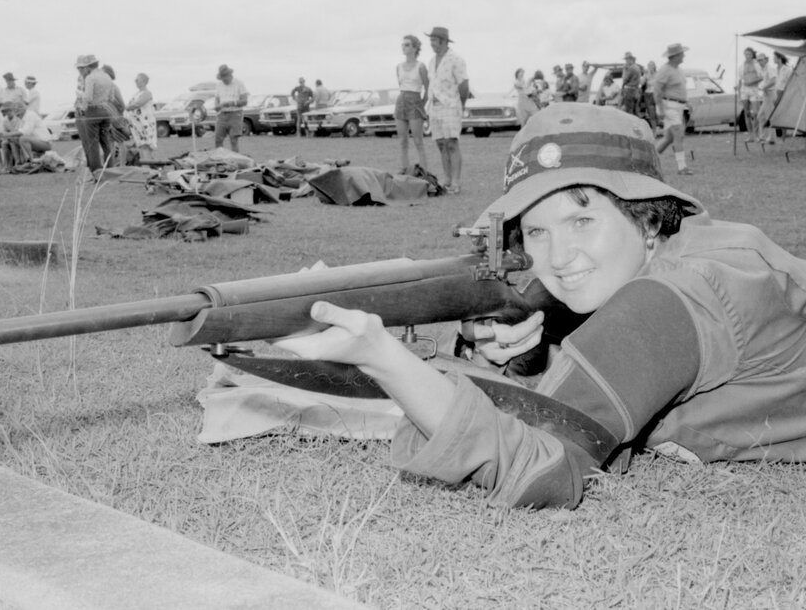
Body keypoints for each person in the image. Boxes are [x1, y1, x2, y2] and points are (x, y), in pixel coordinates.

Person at [275, 102, 806, 509]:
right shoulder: (673, 257)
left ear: (647, 218)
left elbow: (544, 471)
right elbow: (573, 388)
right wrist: (505, 358)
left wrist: (381, 357)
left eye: (582, 220)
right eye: (537, 231)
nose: (558, 257)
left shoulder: (669, 298)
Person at [425, 26, 469, 194]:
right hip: (434, 107)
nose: (431, 44)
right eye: (431, 40)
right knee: (441, 144)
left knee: (452, 143)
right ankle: (447, 180)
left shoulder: (455, 59)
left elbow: (464, 84)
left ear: (443, 41)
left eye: (434, 40)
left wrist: (461, 104)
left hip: (450, 106)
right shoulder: (431, 62)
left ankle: (456, 182)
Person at [653, 43, 691, 175]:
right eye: (682, 54)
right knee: (678, 134)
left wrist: (687, 102)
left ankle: (649, 159)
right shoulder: (665, 70)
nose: (684, 56)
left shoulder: (679, 70)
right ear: (675, 56)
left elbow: (680, 89)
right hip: (669, 106)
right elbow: (657, 90)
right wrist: (660, 109)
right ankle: (682, 167)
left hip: (679, 106)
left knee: (669, 138)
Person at [75, 53, 115, 176]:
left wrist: (80, 96)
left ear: (88, 67)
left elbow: (88, 97)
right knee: (106, 142)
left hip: (93, 111)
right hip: (106, 110)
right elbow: (112, 98)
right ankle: (110, 169)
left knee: (93, 143)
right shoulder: (107, 77)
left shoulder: (90, 78)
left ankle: (96, 171)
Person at [395, 35, 429, 174]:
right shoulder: (399, 66)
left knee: (418, 140)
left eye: (407, 45)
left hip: (415, 101)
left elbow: (428, 87)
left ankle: (424, 171)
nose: (404, 47)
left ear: (415, 48)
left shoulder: (421, 66)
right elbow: (401, 84)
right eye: (403, 45)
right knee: (402, 140)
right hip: (401, 101)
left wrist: (422, 103)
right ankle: (403, 169)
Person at [214, 64, 248, 153]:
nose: (223, 80)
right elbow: (217, 99)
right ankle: (219, 158)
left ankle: (236, 159)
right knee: (218, 139)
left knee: (233, 140)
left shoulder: (239, 83)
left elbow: (244, 101)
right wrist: (217, 106)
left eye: (225, 77)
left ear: (230, 75)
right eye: (222, 78)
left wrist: (230, 103)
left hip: (235, 114)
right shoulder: (219, 85)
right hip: (222, 115)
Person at [124, 72, 157, 160]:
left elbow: (137, 104)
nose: (135, 82)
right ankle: (144, 164)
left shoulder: (147, 93)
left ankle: (147, 164)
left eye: (137, 80)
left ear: (144, 81)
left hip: (145, 124)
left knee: (146, 145)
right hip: (137, 125)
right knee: (141, 145)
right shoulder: (136, 94)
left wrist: (126, 107)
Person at [738, 47, 763, 142]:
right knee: (746, 113)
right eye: (746, 54)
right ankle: (750, 135)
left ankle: (756, 134)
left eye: (749, 54)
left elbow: (761, 77)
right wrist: (739, 93)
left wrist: (751, 82)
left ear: (752, 55)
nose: (747, 56)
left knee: (756, 113)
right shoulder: (741, 66)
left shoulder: (757, 65)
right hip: (744, 90)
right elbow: (740, 80)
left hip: (754, 89)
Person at [756, 52, 777, 144]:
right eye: (758, 60)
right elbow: (764, 80)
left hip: (770, 93)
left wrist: (763, 87)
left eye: (761, 60)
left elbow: (774, 81)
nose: (760, 62)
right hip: (766, 94)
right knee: (761, 116)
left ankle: (771, 138)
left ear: (766, 59)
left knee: (769, 117)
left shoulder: (770, 68)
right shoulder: (763, 69)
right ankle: (764, 137)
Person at [640, 60, 658, 132]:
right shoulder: (646, 75)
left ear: (654, 66)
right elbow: (641, 83)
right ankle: (654, 130)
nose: (650, 67)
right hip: (648, 95)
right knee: (651, 114)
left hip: (657, 94)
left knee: (658, 113)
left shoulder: (658, 74)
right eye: (649, 65)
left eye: (652, 65)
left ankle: (660, 125)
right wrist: (644, 75)